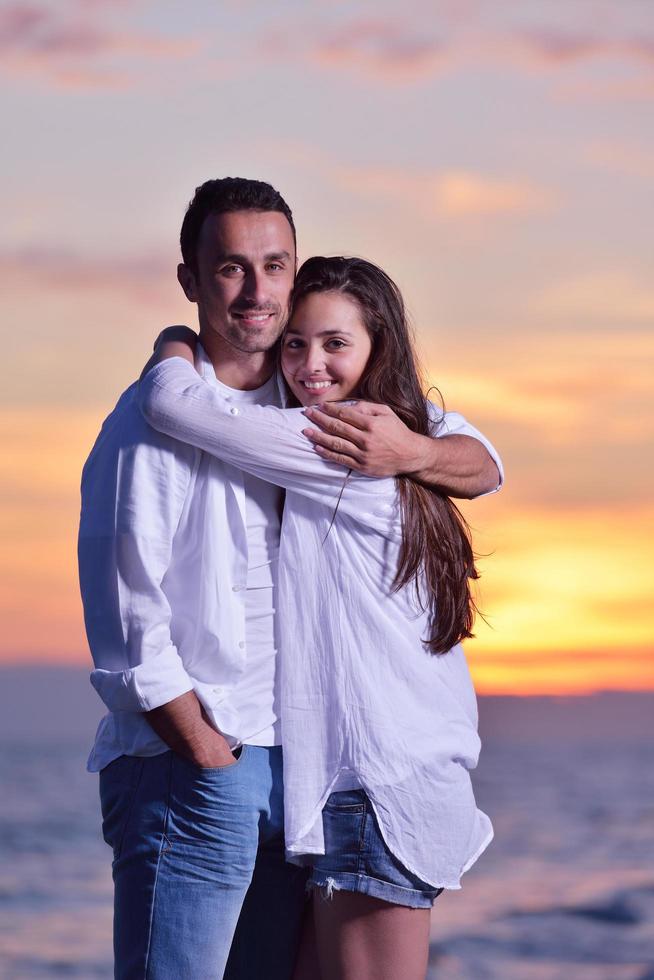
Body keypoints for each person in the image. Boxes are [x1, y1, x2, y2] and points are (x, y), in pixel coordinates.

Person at [78, 177, 502, 980]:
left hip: (338, 781)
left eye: (275, 266)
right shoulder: (210, 422)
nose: (259, 291)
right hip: (240, 771)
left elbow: (482, 462)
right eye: (232, 267)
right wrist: (211, 757)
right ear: (192, 278)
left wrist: (413, 451)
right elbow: (129, 623)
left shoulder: (345, 438)